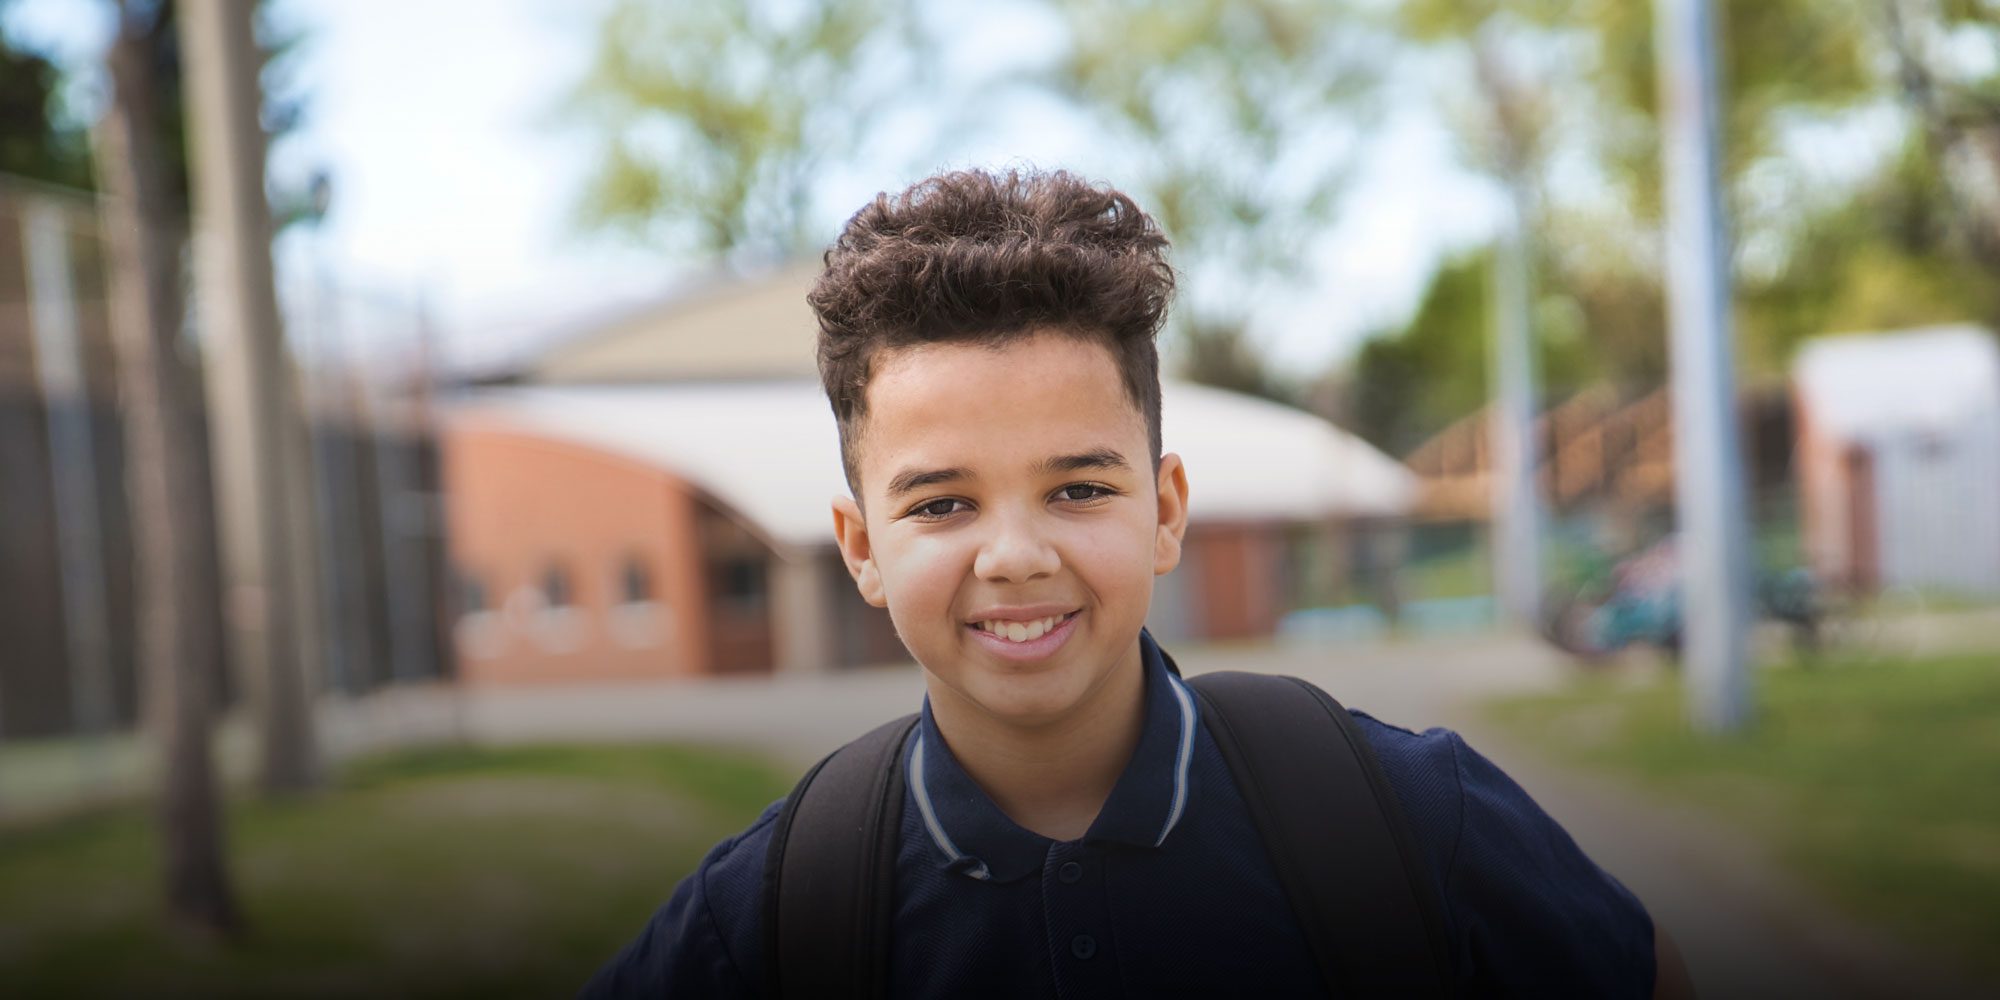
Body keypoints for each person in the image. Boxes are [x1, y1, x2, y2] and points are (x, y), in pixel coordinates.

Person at [583, 168, 1694, 998]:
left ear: (1164, 510)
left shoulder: (1409, 819)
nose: (1013, 554)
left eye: (1075, 489)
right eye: (939, 503)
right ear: (860, 547)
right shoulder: (777, 913)